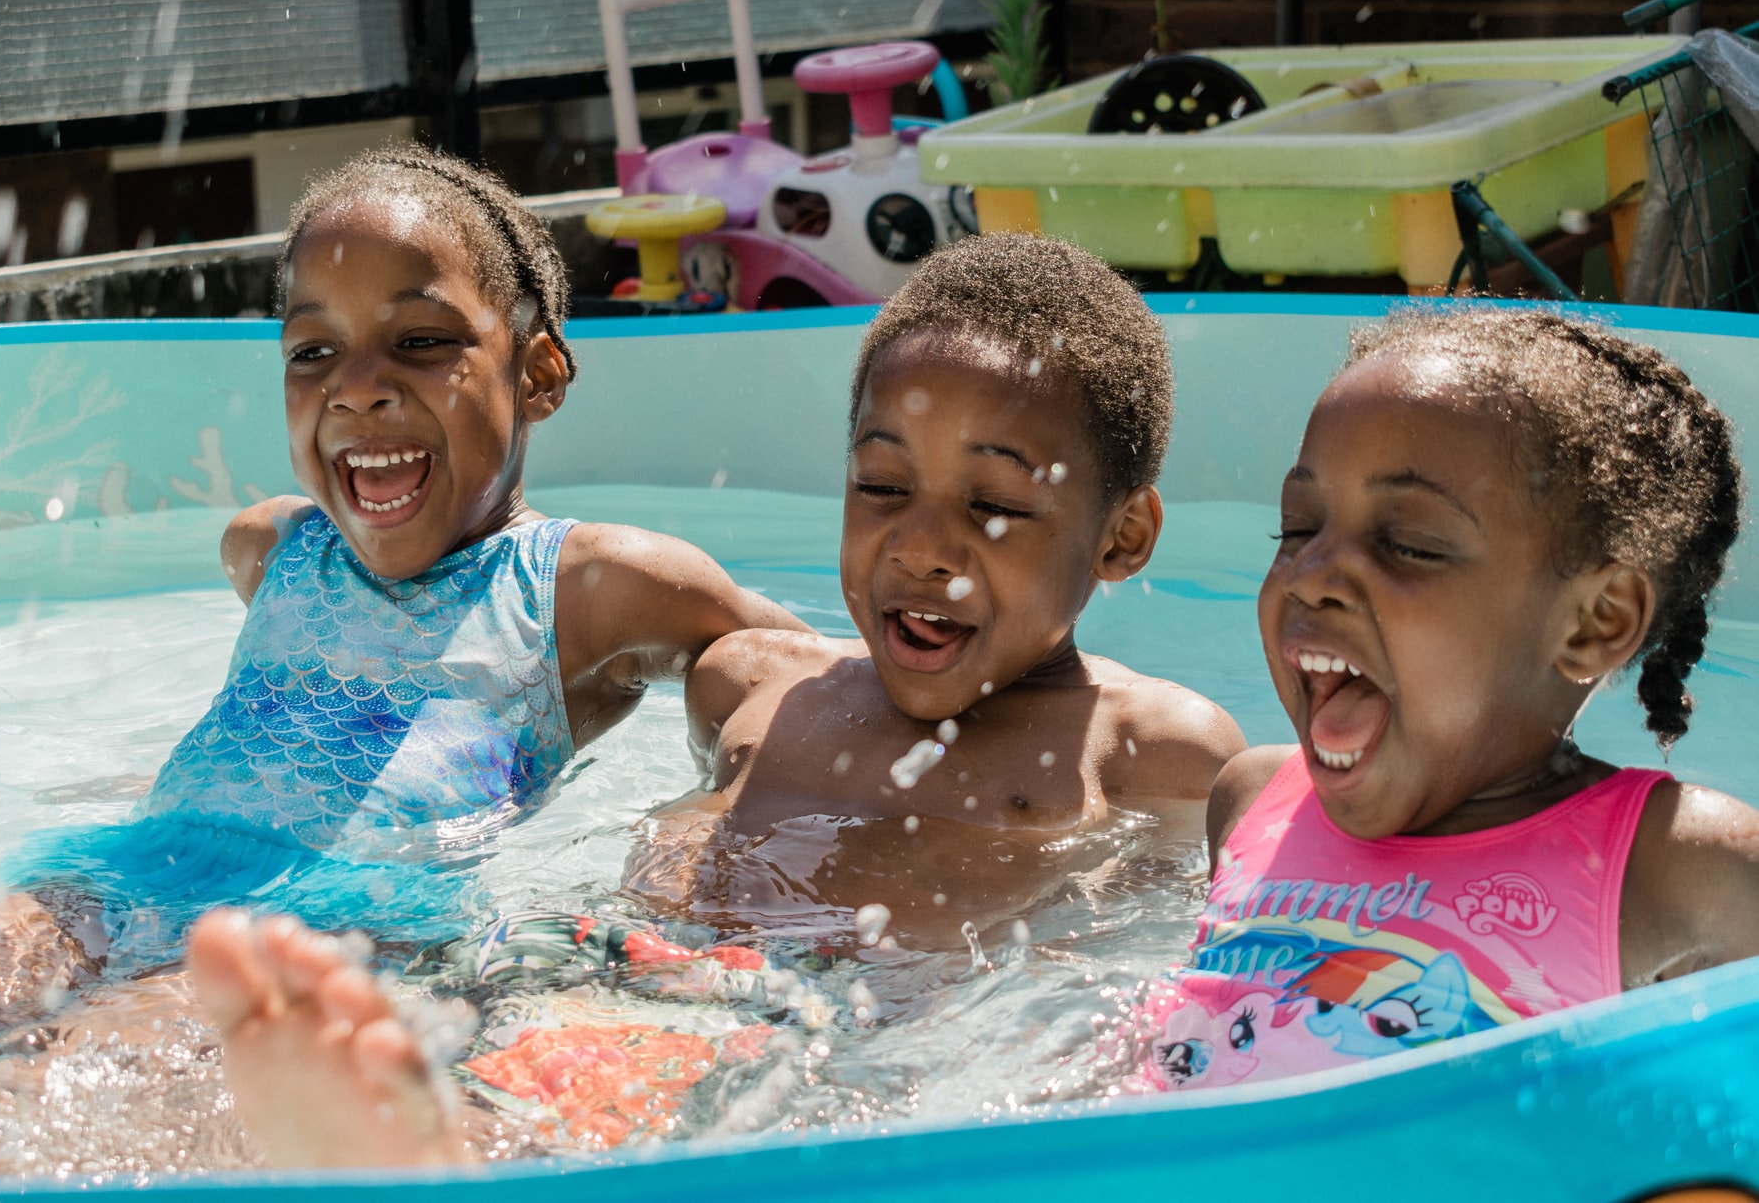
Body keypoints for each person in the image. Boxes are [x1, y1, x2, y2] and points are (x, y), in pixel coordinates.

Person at [186, 232, 1248, 1166]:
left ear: (1123, 536)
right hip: (588, 950)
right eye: (881, 487)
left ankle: (416, 1142)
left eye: (994, 504)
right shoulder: (755, 681)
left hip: (804, 1009)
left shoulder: (1146, 746)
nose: (920, 545)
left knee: (648, 1078)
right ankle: (385, 1116)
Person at [0, 147, 804, 1118]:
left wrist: (708, 817)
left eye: (420, 340)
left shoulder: (587, 585)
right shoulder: (273, 547)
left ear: (537, 371)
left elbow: (797, 671)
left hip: (327, 927)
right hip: (116, 877)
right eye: (313, 349)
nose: (357, 384)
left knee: (12, 1110)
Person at [1140, 307, 1759, 1092]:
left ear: (1593, 622)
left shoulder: (1685, 870)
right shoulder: (1253, 797)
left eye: (1409, 544)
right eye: (1297, 528)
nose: (1310, 573)